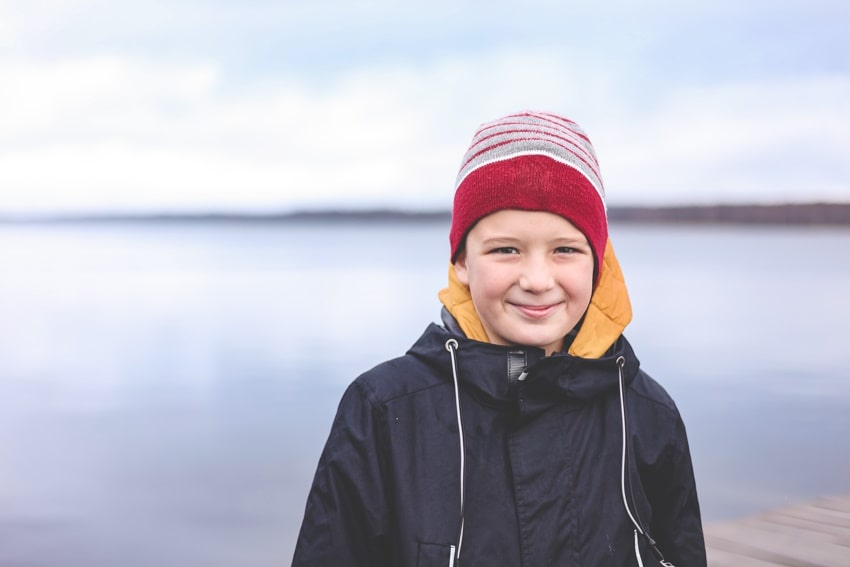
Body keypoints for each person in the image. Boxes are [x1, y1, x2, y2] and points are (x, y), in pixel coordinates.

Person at [291, 111, 706, 566]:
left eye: (565, 249)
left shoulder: (647, 415)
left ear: (598, 263)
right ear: (462, 262)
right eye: (505, 249)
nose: (536, 279)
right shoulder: (385, 409)